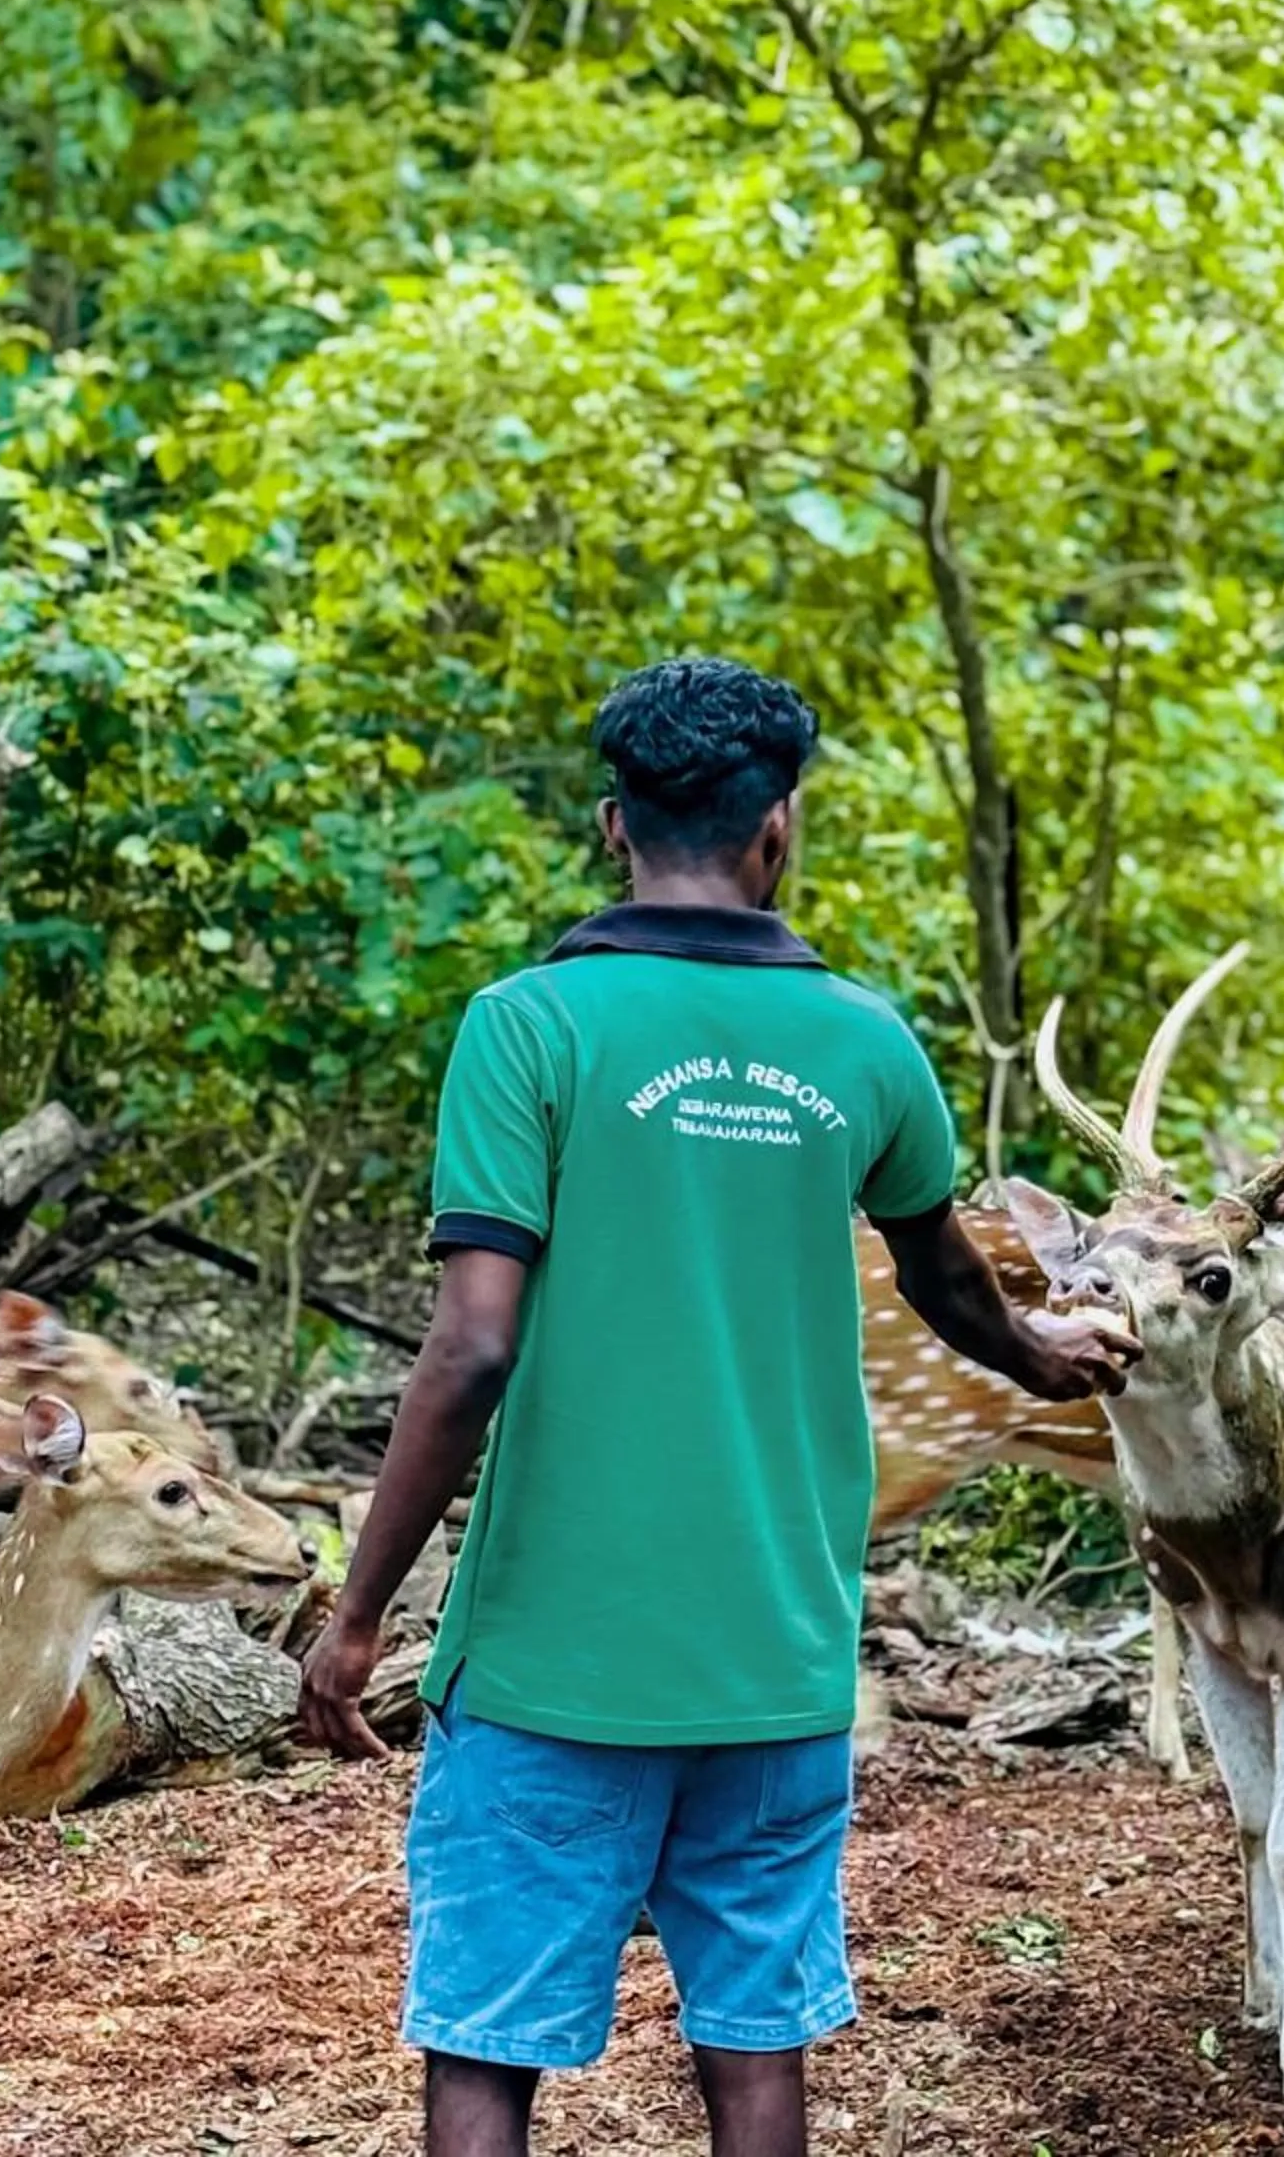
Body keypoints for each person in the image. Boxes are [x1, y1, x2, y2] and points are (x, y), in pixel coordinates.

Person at [298, 657, 1136, 2157]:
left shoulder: (528, 1028)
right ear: (780, 828)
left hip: (554, 1664)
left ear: (613, 827)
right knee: (755, 2043)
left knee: (486, 2045)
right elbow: (950, 1283)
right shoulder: (867, 1043)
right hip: (775, 1654)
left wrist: (359, 1612)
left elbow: (472, 1347)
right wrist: (1044, 1352)